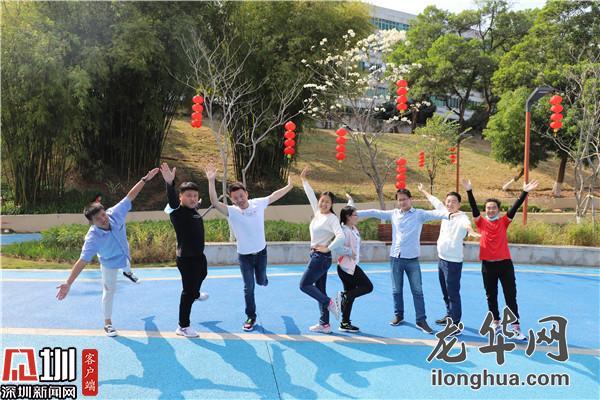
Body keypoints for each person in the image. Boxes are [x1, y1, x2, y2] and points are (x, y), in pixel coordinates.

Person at [56, 168, 160, 337]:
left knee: (127, 263)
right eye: (98, 219)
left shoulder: (115, 213)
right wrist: (68, 283)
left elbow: (130, 196)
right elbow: (82, 261)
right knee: (109, 291)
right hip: (109, 262)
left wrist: (144, 179)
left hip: (124, 253)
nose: (103, 219)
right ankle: (107, 323)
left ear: (106, 211)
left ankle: (128, 272)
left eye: (103, 215)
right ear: (92, 222)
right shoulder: (93, 238)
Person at [205, 163, 294, 331]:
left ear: (246, 194)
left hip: (261, 253)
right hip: (244, 257)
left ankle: (263, 278)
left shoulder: (257, 203)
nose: (239, 199)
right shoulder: (232, 211)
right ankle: (251, 316)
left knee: (261, 281)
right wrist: (211, 181)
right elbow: (215, 202)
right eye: (235, 198)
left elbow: (274, 196)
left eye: (241, 195)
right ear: (231, 199)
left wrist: (289, 186)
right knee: (248, 287)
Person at [355, 188, 451, 334]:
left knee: (417, 291)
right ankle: (398, 315)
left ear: (410, 199)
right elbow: (375, 212)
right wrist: (355, 213)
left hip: (412, 260)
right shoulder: (394, 214)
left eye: (404, 199)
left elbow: (436, 213)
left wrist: (451, 214)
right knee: (396, 289)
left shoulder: (419, 214)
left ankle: (421, 320)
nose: (402, 202)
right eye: (399, 200)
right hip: (396, 258)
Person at [462, 178, 539, 340]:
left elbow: (515, 208)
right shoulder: (481, 223)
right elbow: (474, 208)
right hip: (487, 266)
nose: (490, 210)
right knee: (491, 296)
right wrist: (469, 191)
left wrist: (524, 192)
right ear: (485, 210)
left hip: (505, 265)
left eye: (493, 208)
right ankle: (495, 322)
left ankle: (515, 327)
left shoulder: (504, 222)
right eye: (488, 208)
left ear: (498, 209)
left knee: (510, 296)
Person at [417, 183, 480, 336]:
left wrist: (471, 231)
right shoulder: (444, 212)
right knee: (445, 291)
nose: (450, 204)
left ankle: (456, 324)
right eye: (448, 201)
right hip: (442, 259)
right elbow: (435, 201)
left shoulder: (462, 217)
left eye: (453, 201)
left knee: (453, 294)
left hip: (453, 262)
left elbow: (467, 225)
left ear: (459, 204)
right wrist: (424, 191)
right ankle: (449, 315)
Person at [160, 162, 209, 338]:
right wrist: (169, 183)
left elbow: (193, 209)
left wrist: (196, 205)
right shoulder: (177, 211)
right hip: (187, 258)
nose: (193, 198)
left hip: (198, 256)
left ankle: (195, 293)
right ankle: (183, 326)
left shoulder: (193, 210)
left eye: (195, 195)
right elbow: (173, 201)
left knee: (203, 273)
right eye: (188, 195)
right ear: (181, 197)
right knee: (187, 292)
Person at [299, 167, 344, 334]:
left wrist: (328, 248)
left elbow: (341, 237)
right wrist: (304, 180)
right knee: (319, 290)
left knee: (304, 285)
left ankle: (330, 303)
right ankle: (325, 324)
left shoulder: (332, 218)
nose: (324, 204)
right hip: (317, 256)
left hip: (321, 257)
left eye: (327, 202)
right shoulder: (318, 213)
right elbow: (311, 196)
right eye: (322, 201)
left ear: (332, 205)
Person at [335, 194, 374, 333]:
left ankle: (345, 323)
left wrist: (350, 200)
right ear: (348, 217)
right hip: (346, 267)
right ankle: (344, 296)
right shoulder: (344, 231)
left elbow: (350, 208)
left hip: (349, 267)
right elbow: (335, 247)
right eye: (355, 215)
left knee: (351, 294)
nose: (357, 216)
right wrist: (348, 251)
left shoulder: (352, 228)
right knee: (368, 287)